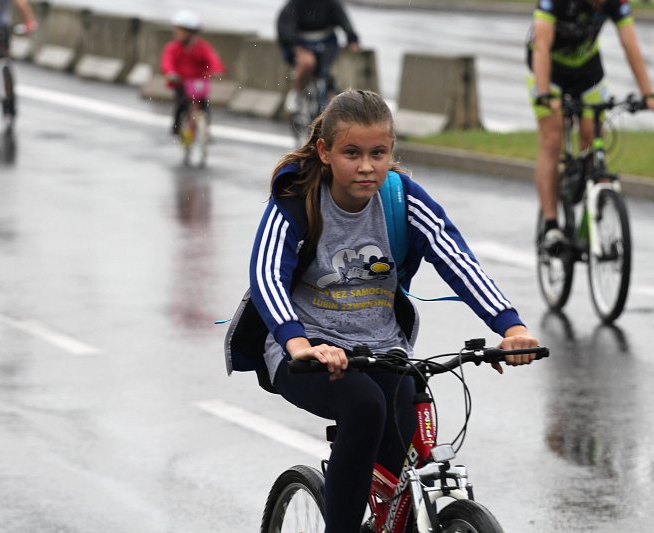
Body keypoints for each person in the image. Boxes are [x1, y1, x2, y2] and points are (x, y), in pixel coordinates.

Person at [224, 90, 541, 533]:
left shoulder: (401, 199)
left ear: (391, 151)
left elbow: (456, 259)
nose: (367, 166)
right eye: (352, 153)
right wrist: (299, 345)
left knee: (404, 451)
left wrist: (512, 327)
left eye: (378, 153)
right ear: (325, 151)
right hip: (307, 352)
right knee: (364, 407)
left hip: (384, 350)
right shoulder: (299, 199)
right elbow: (266, 276)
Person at [527, 0, 654, 251]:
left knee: (592, 135)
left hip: (587, 68)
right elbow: (541, 44)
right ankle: (551, 225)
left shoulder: (615, 2)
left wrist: (647, 94)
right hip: (548, 68)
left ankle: (591, 202)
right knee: (552, 140)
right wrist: (544, 94)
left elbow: (630, 43)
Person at [277, 0, 360, 114]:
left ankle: (331, 107)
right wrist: (294, 46)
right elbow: (285, 26)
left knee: (325, 73)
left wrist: (352, 40)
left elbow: (343, 20)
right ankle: (296, 92)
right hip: (301, 43)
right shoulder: (295, 4)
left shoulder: (332, 3)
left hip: (326, 43)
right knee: (307, 62)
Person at [160, 10, 225, 137]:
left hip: (198, 83)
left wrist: (217, 70)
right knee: (181, 104)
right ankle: (177, 127)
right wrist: (171, 73)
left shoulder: (202, 48)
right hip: (181, 81)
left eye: (181, 31)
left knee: (204, 106)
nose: (177, 33)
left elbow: (213, 60)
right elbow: (167, 62)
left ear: (191, 33)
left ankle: (205, 128)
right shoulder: (173, 48)